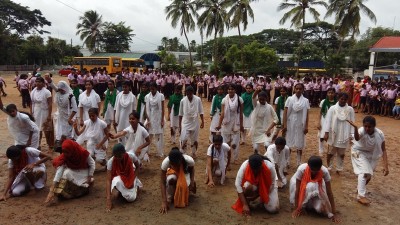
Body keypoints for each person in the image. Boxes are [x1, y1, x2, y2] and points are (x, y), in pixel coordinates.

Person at [347, 116, 389, 205]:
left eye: (369, 127)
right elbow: (357, 138)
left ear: (374, 126)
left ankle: (359, 190)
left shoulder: (380, 134)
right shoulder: (361, 130)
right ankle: (361, 196)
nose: (367, 128)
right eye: (365, 126)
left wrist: (386, 166)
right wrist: (355, 128)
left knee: (369, 175)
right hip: (357, 151)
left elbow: (383, 149)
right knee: (364, 171)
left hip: (371, 154)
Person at [290, 156, 340, 223]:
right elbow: (297, 190)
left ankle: (310, 203)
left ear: (320, 167)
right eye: (312, 170)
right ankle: (303, 206)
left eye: (317, 170)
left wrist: (334, 213)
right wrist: (297, 208)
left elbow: (329, 192)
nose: (314, 172)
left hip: (317, 185)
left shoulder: (325, 171)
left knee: (321, 209)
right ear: (308, 166)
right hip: (300, 184)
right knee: (311, 186)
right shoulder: (301, 169)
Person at [45, 140, 95, 204]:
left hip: (83, 171)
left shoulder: (83, 152)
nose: (66, 154)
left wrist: (90, 176)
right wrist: (51, 190)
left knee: (67, 174)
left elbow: (92, 163)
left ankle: (86, 185)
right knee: (64, 173)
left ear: (72, 149)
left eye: (67, 152)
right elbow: (59, 172)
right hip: (73, 171)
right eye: (64, 152)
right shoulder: (65, 156)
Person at [323, 92, 355, 173]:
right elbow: (328, 121)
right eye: (341, 99)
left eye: (345, 99)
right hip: (333, 132)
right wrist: (326, 133)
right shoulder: (332, 108)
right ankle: (329, 167)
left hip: (345, 133)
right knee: (330, 152)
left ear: (347, 100)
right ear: (338, 99)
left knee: (341, 153)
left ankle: (339, 168)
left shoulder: (350, 109)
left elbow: (352, 122)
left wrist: (352, 135)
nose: (343, 101)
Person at [106, 144, 143, 211]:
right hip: (120, 175)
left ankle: (136, 185)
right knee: (115, 181)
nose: (118, 158)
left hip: (131, 174)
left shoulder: (131, 156)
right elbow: (108, 180)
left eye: (119, 156)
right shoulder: (110, 162)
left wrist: (133, 179)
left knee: (131, 199)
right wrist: (108, 199)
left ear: (124, 153)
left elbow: (138, 167)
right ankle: (121, 191)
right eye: (116, 156)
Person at [159, 147, 196, 214]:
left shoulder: (189, 160)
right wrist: (164, 201)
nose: (175, 166)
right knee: (171, 179)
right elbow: (162, 182)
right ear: (170, 162)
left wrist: (192, 181)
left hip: (185, 173)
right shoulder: (165, 163)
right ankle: (169, 198)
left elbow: (192, 170)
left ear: (181, 161)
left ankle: (183, 190)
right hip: (172, 173)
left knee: (185, 186)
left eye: (177, 165)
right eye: (173, 165)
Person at [282, 83, 310, 166]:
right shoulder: (290, 99)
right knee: (289, 143)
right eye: (297, 88)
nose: (298, 90)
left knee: (300, 143)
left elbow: (307, 114)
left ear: (303, 90)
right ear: (294, 89)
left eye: (300, 89)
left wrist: (306, 126)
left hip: (300, 123)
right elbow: (285, 112)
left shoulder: (305, 101)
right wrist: (285, 125)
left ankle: (298, 161)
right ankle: (287, 161)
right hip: (290, 123)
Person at [216, 84, 244, 163]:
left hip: (236, 122)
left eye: (232, 89)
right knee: (225, 143)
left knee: (235, 143)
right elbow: (222, 113)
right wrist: (219, 125)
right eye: (229, 89)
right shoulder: (224, 100)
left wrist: (241, 125)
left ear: (235, 90)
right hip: (226, 122)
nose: (230, 91)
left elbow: (241, 114)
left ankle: (235, 158)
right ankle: (226, 158)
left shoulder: (240, 99)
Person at [250, 87, 279, 152]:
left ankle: (269, 159)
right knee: (255, 149)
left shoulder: (269, 107)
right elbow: (253, 97)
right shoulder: (256, 105)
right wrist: (256, 91)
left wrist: (269, 130)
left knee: (267, 146)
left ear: (266, 98)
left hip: (266, 131)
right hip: (256, 130)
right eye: (260, 99)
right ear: (258, 99)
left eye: (263, 99)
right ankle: (258, 160)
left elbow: (276, 119)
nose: (261, 101)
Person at [179, 86, 204, 157]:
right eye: (187, 94)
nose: (189, 96)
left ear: (193, 93)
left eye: (190, 94)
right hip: (185, 122)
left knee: (194, 139)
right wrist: (180, 125)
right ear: (185, 93)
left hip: (195, 122)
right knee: (183, 138)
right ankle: (183, 153)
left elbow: (201, 111)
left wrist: (202, 121)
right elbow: (180, 114)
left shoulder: (198, 99)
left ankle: (193, 153)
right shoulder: (183, 101)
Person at [30, 76, 53, 149]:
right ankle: (37, 144)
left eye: (39, 82)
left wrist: (49, 115)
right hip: (36, 112)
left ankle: (50, 145)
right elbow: (31, 103)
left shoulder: (47, 92)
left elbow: (50, 104)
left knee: (47, 129)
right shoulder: (33, 91)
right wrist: (31, 113)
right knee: (37, 129)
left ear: (43, 83)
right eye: (36, 81)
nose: (37, 83)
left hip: (44, 112)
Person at [145, 82, 165, 158]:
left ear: (156, 88)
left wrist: (162, 120)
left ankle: (160, 152)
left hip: (158, 116)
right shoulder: (147, 96)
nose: (152, 90)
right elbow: (146, 109)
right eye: (150, 89)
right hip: (150, 115)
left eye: (153, 89)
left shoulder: (161, 96)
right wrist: (147, 119)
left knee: (158, 135)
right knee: (148, 134)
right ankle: (147, 151)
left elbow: (162, 109)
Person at [317, 88, 337, 156]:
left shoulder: (336, 102)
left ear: (334, 94)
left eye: (332, 93)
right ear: (327, 93)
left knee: (331, 135)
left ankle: (329, 149)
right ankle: (321, 149)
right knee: (322, 136)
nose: (330, 94)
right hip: (324, 120)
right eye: (329, 93)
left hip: (333, 121)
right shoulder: (323, 101)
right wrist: (318, 122)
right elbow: (320, 112)